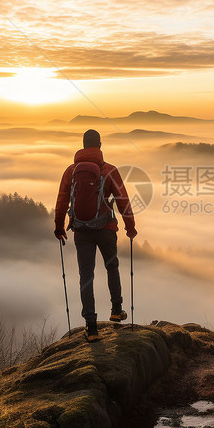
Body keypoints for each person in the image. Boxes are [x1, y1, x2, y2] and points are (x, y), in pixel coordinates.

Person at [54, 129, 137, 342]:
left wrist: (59, 226)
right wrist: (130, 227)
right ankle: (116, 310)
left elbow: (62, 200)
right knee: (112, 266)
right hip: (106, 229)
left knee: (86, 276)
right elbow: (122, 199)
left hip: (81, 229)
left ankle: (91, 328)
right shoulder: (109, 170)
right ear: (99, 146)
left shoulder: (71, 171)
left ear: (82, 146)